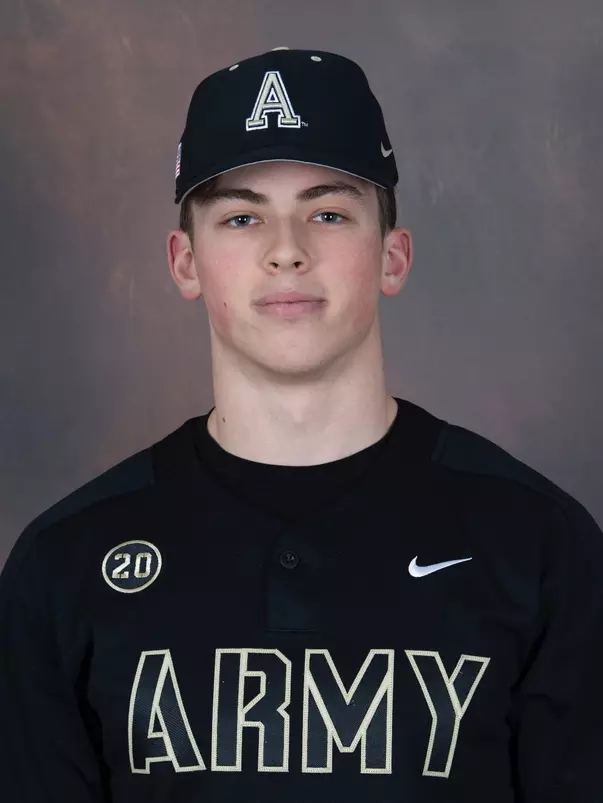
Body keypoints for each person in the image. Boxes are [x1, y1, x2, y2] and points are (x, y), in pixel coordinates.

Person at [1, 46, 602, 803]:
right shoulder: (65, 564)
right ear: (185, 262)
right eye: (243, 216)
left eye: (327, 212)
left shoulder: (539, 545)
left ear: (392, 254)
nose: (286, 251)